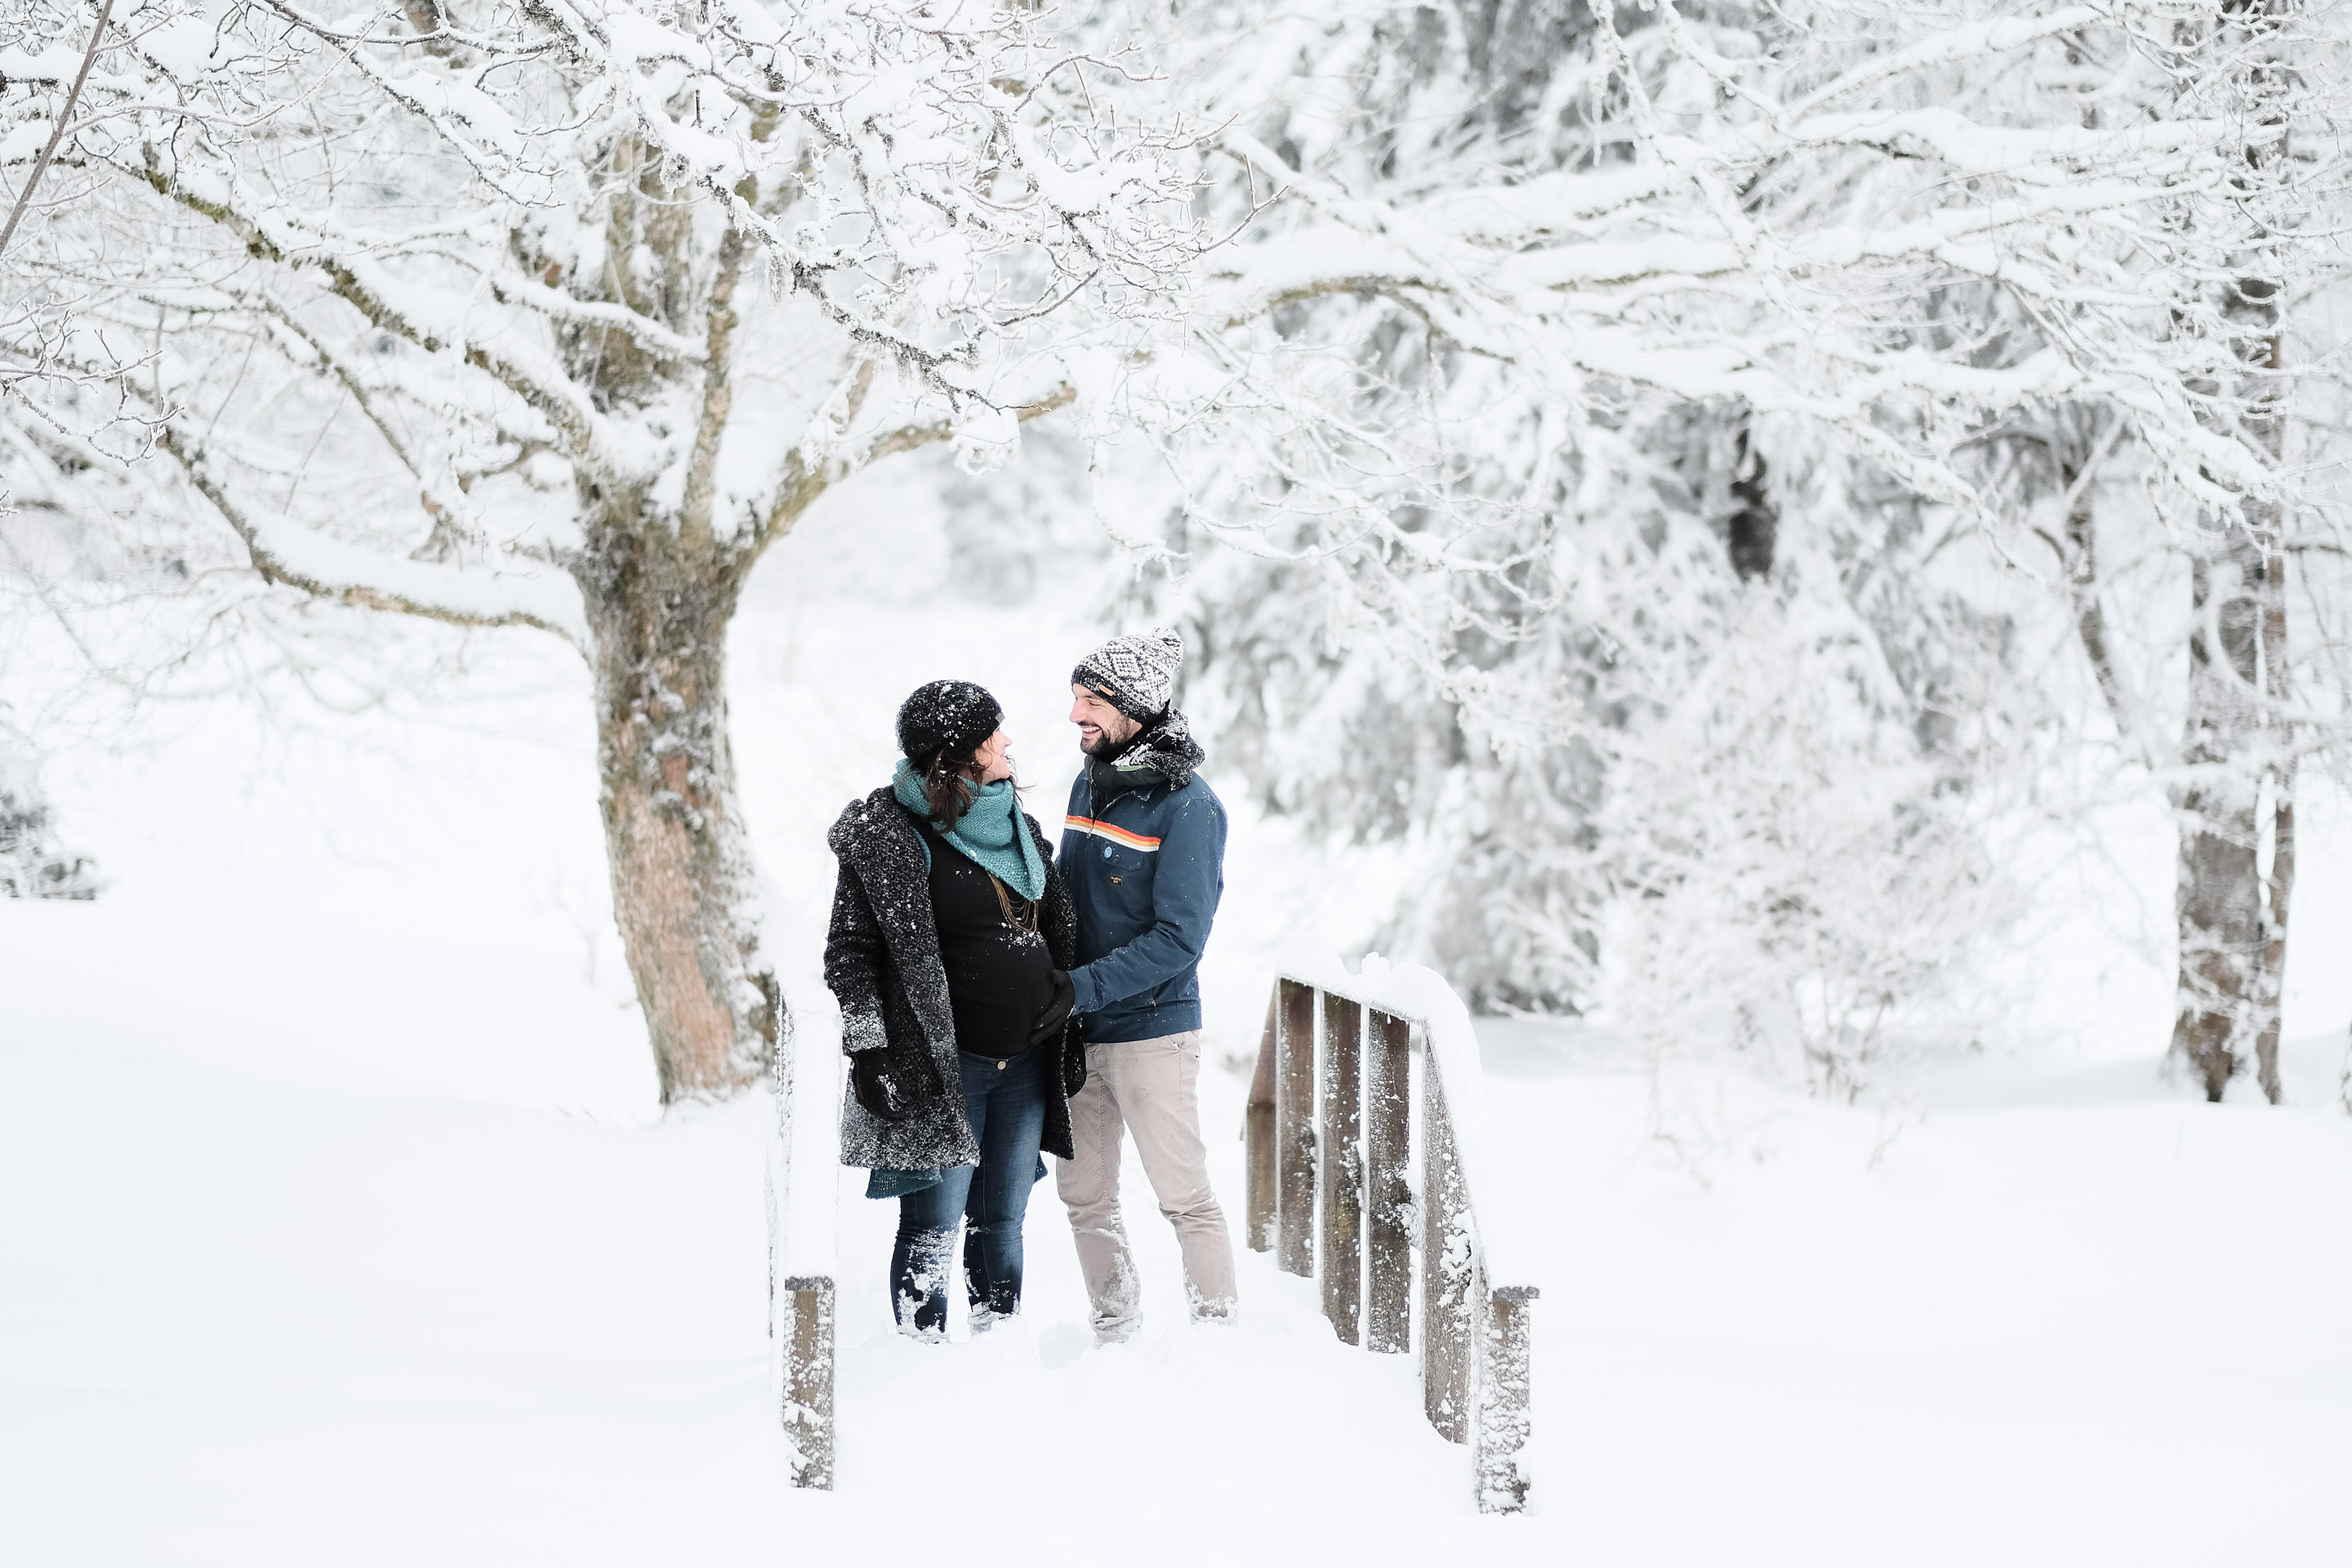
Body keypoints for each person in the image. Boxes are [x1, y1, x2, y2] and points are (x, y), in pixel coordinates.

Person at [824, 679, 1085, 1338]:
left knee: (1002, 1222)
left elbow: (1052, 927)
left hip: (1025, 1064)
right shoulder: (889, 834)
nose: (1008, 742)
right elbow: (851, 951)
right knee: (931, 1228)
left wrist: (1063, 992)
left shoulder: (1016, 828)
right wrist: (868, 1046)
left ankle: (996, 1354)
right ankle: (923, 1363)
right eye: (993, 733)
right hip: (943, 1070)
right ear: (961, 752)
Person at [1055, 629, 1237, 1339]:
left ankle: (1216, 1337)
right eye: (1075, 698)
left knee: (1184, 1197)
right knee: (1085, 1199)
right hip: (1076, 1028)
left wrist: (1079, 987)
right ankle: (1115, 1333)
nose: (1076, 715)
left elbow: (1180, 938)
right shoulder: (1088, 782)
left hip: (1152, 1034)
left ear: (1135, 706)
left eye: (1092, 700)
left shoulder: (1189, 806)